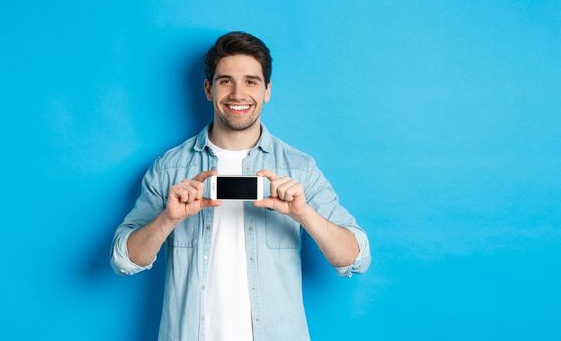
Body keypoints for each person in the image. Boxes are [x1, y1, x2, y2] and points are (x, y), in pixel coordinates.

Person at [111, 31, 371, 341]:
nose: (238, 94)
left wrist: (305, 214)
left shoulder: (299, 168)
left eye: (251, 81)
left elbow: (356, 257)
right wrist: (168, 218)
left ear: (267, 90)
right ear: (208, 89)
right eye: (225, 81)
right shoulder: (170, 168)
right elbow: (123, 259)